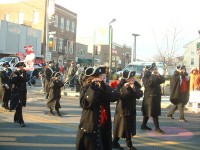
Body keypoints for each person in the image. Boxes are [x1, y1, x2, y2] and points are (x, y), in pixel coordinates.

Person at [76, 66, 121, 150]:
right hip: (90, 124)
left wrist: (103, 85)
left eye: (104, 75)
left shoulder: (104, 87)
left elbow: (114, 96)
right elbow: (85, 104)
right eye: (101, 76)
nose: (104, 77)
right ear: (94, 77)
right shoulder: (86, 88)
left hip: (103, 125)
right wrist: (93, 88)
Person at [112, 70, 143, 150]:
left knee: (127, 126)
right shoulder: (121, 84)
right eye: (130, 78)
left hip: (131, 108)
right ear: (126, 78)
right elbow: (117, 95)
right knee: (124, 126)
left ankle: (115, 142)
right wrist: (125, 88)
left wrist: (134, 89)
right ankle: (129, 144)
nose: (132, 79)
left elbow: (139, 95)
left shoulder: (135, 84)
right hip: (122, 109)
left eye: (132, 77)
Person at [141, 63, 166, 134]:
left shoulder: (156, 75)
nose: (155, 70)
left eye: (155, 68)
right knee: (153, 112)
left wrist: (158, 75)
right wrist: (152, 75)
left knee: (148, 112)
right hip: (149, 97)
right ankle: (157, 128)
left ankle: (143, 125)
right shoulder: (146, 76)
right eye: (153, 69)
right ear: (150, 69)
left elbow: (163, 80)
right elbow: (149, 84)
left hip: (156, 96)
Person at [9, 61, 30, 127]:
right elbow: (11, 81)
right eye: (20, 67)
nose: (22, 68)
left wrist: (22, 76)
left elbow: (27, 79)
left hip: (23, 91)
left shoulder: (24, 72)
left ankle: (16, 118)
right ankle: (21, 121)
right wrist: (18, 75)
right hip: (16, 92)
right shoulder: (15, 73)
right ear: (18, 67)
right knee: (19, 106)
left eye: (22, 67)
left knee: (20, 106)